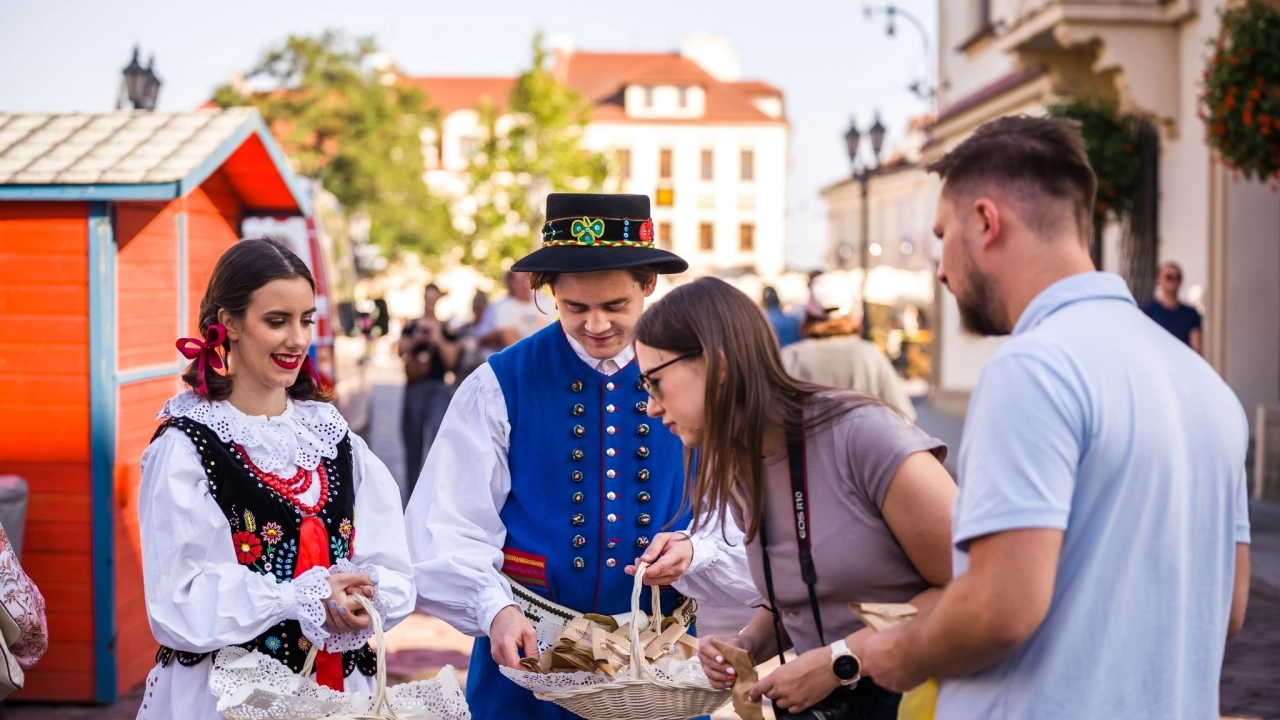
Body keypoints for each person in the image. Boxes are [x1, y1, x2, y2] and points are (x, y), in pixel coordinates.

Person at [858, 117, 1251, 719]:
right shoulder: (1209, 388)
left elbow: (1001, 606)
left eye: (943, 235)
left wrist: (899, 652)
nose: (939, 269)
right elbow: (1227, 607)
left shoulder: (1034, 367)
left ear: (987, 222)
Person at [405, 194, 756, 720]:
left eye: (615, 306)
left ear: (649, 286)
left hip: (655, 673)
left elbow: (743, 518)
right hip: (526, 666)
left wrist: (695, 549)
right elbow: (446, 522)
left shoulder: (699, 379)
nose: (596, 324)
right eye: (575, 307)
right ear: (546, 293)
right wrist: (493, 606)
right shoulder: (499, 384)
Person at [631, 276, 956, 718]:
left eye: (654, 382)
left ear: (718, 367)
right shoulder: (741, 460)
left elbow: (969, 583)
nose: (650, 406)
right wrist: (747, 644)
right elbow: (800, 602)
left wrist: (840, 660)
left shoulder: (861, 434)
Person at [137, 238, 415, 720]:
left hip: (341, 688)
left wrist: (361, 598)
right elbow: (177, 602)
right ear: (228, 324)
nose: (298, 339)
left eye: (306, 320)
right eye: (277, 321)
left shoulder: (334, 437)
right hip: (228, 696)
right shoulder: (187, 447)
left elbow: (391, 564)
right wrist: (296, 597)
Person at [780, 311, 917, 421]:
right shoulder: (870, 353)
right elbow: (904, 418)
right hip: (864, 450)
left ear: (808, 315)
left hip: (808, 453)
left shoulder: (790, 356)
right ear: (853, 314)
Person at [399, 284, 460, 492]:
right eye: (428, 298)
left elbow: (451, 362)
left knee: (438, 439)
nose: (430, 303)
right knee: (412, 441)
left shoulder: (445, 328)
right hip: (414, 386)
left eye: (434, 299)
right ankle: (412, 492)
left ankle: (436, 492)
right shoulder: (412, 324)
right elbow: (400, 350)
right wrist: (416, 338)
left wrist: (437, 339)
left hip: (438, 387)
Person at [1141, 260, 1203, 353]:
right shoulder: (1147, 312)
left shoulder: (1191, 314)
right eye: (1169, 277)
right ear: (1158, 279)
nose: (1173, 281)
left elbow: (1196, 350)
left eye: (1177, 277)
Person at [481, 270, 551, 350]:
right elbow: (511, 342)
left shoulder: (545, 302)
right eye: (517, 282)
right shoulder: (502, 307)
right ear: (509, 284)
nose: (522, 285)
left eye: (525, 280)